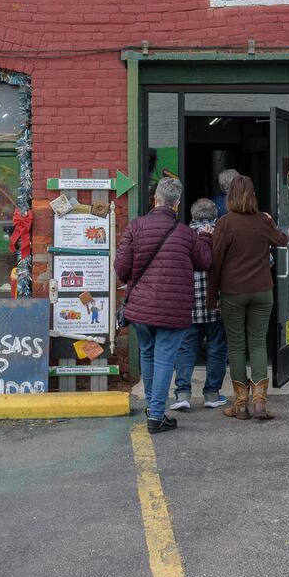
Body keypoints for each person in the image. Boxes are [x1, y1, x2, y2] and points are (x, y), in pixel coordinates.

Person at [115, 176, 212, 434]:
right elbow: (204, 263)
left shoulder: (135, 227)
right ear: (177, 204)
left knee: (148, 354)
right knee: (164, 360)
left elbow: (121, 270)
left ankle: (153, 408)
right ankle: (156, 415)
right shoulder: (187, 234)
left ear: (155, 199)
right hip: (173, 310)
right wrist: (205, 238)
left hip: (141, 309)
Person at [209, 174, 289, 421]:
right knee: (257, 343)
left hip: (233, 292)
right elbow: (282, 240)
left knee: (236, 345)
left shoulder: (225, 223)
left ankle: (241, 404)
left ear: (230, 196)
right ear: (253, 195)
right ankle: (259, 403)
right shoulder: (262, 221)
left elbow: (216, 262)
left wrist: (212, 297)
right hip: (262, 291)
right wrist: (270, 220)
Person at [169, 198, 229, 412]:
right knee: (217, 349)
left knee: (185, 349)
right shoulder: (223, 233)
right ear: (215, 216)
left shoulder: (182, 234)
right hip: (218, 303)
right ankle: (212, 394)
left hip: (189, 305)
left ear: (193, 216)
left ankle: (182, 393)